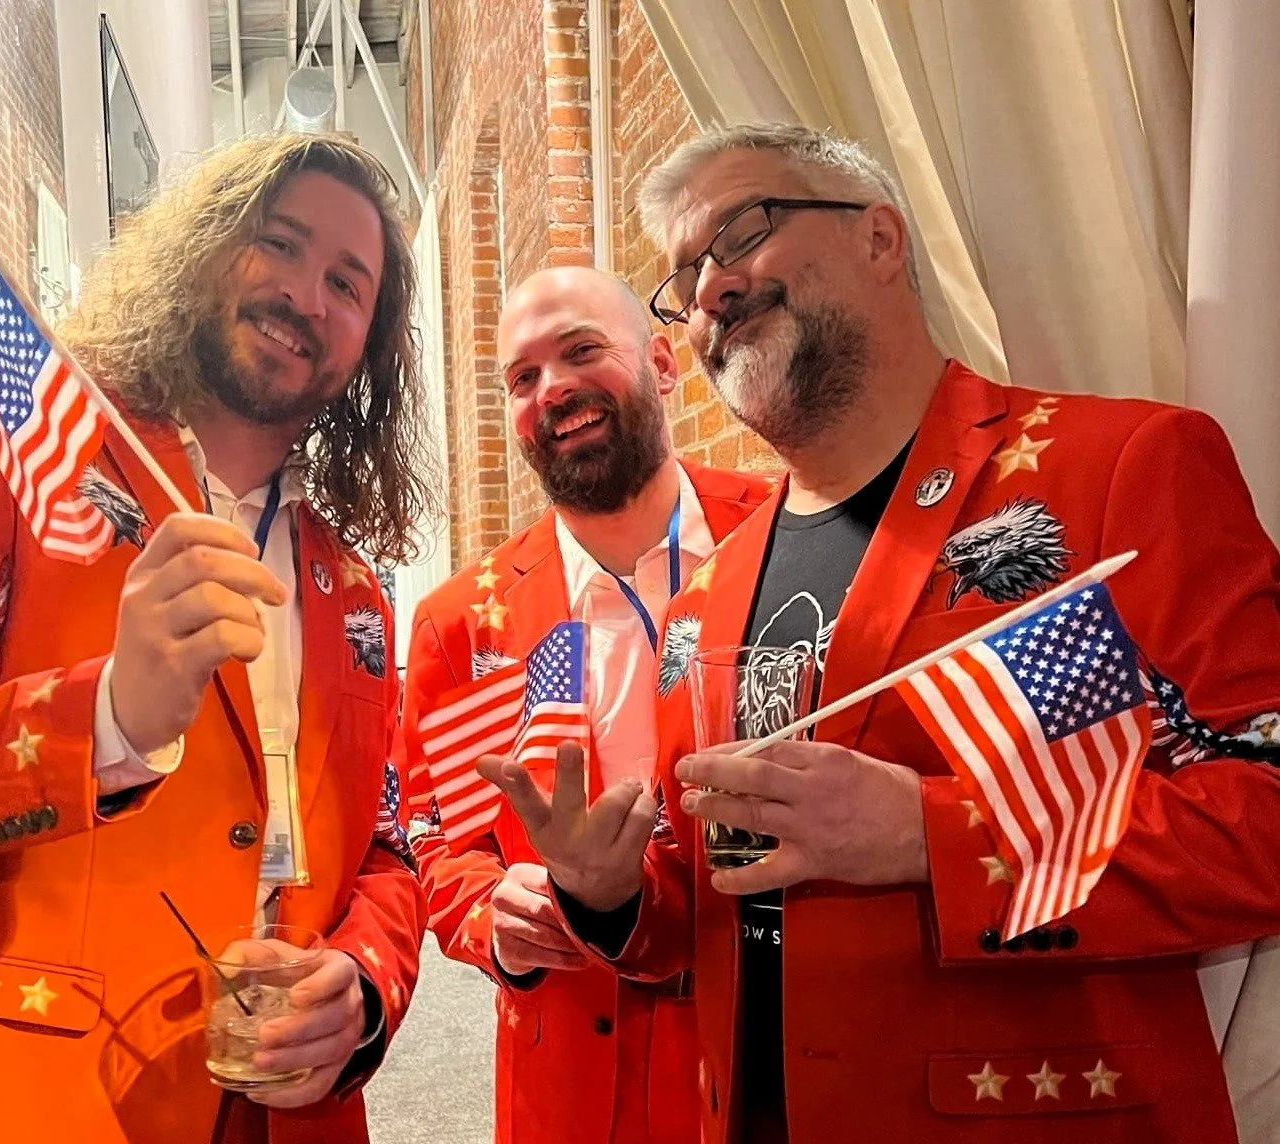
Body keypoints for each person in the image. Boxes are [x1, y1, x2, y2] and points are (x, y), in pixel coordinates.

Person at [480, 124, 1280, 1143]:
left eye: (742, 231)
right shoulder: (705, 592)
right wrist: (609, 896)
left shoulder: (1122, 468)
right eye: (683, 279)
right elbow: (712, 899)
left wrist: (928, 834)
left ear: (882, 240)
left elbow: (1266, 815)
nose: (711, 289)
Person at [0, 134, 436, 1144]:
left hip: (287, 1110)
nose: (306, 296)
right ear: (203, 248)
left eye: (348, 285)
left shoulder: (355, 587)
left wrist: (363, 986)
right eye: (278, 243)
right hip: (16, 1102)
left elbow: (389, 850)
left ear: (370, 345)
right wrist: (106, 720)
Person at [396, 266, 772, 1144]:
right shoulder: (458, 621)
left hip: (757, 1036)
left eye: (580, 351)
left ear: (663, 363)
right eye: (521, 377)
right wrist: (490, 913)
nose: (552, 388)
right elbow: (435, 837)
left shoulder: (777, 534)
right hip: (569, 1064)